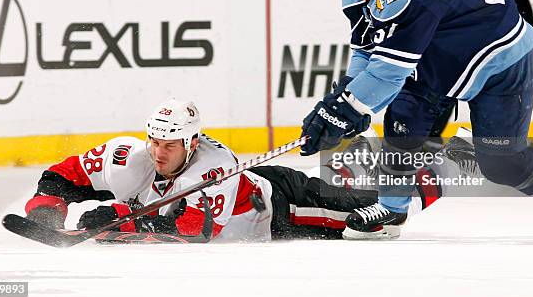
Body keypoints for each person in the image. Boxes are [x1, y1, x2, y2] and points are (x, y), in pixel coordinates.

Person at [299, 0, 533, 240]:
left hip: (501, 57)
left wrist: (345, 109)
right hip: (442, 58)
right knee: (404, 116)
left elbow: (389, 73)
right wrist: (345, 99)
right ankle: (393, 207)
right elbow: (366, 53)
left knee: (502, 163)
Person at [23, 98, 387, 241]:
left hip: (282, 205)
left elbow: (196, 229)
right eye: (154, 142)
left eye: (169, 145)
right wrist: (45, 207)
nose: (158, 153)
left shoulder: (216, 164)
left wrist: (121, 216)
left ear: (191, 143)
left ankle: (428, 168)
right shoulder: (129, 155)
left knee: (374, 213)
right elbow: (64, 175)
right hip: (266, 206)